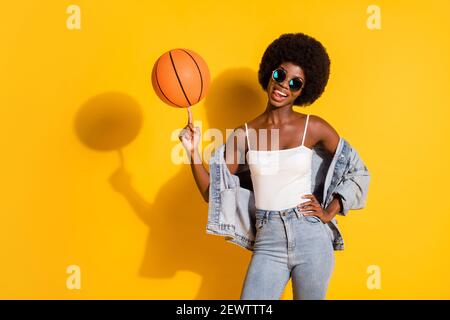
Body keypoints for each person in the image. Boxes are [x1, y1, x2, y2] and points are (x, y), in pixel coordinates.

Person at [178, 33, 369, 299]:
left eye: (295, 83)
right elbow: (212, 194)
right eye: (280, 75)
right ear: (270, 73)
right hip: (268, 240)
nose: (284, 86)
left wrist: (328, 212)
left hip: (310, 236)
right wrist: (192, 151)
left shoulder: (313, 127)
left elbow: (357, 170)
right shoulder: (243, 135)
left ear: (304, 90)